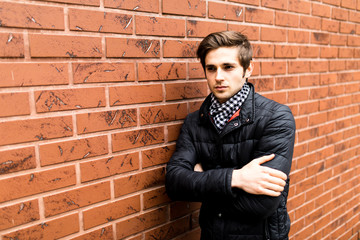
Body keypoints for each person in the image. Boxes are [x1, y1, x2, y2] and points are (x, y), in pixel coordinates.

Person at [165, 31, 296, 240]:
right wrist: (237, 178)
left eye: (228, 67)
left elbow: (262, 204)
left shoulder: (276, 118)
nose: (218, 77)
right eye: (211, 68)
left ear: (248, 69)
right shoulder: (194, 122)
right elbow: (174, 184)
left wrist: (201, 178)